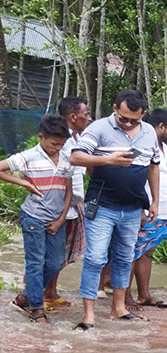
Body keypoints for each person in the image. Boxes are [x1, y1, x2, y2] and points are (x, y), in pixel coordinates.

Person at [70, 89, 160, 331]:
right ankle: (88, 314)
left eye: (135, 120)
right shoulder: (99, 128)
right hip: (102, 206)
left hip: (132, 208)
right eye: (124, 118)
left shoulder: (149, 131)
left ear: (143, 115)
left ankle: (118, 308)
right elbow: (76, 157)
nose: (129, 123)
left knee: (123, 258)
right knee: (95, 258)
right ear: (114, 108)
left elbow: (154, 167)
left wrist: (155, 201)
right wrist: (108, 160)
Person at [1, 115, 73, 323]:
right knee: (35, 262)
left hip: (57, 219)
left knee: (56, 262)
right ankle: (36, 309)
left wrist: (61, 219)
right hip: (33, 216)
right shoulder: (28, 156)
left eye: (62, 144)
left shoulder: (67, 158)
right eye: (54, 144)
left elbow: (68, 191)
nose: (58, 148)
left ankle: (25, 296)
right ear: (41, 137)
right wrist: (24, 184)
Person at [122, 108, 167, 309]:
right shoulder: (139, 146)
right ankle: (124, 297)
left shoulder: (166, 150)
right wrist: (139, 207)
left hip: (164, 212)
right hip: (146, 211)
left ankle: (144, 295)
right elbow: (132, 177)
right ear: (160, 127)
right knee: (132, 252)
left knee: (146, 252)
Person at [43, 96, 92, 312]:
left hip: (73, 205)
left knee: (61, 252)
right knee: (50, 252)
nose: (89, 118)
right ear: (73, 116)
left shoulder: (76, 139)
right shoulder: (61, 141)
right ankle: (41, 294)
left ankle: (52, 293)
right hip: (58, 205)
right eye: (86, 114)